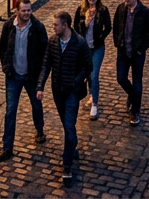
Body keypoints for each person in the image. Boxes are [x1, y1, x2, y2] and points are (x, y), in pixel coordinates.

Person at [37, 11, 89, 182]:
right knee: (67, 124)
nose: (53, 27)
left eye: (56, 25)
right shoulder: (53, 41)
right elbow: (46, 64)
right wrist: (40, 86)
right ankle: (72, 145)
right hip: (58, 90)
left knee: (68, 125)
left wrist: (76, 80)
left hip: (73, 91)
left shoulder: (79, 43)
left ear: (65, 25)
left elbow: (88, 66)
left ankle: (67, 166)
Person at [0, 0, 47, 162]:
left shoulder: (38, 28)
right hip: (14, 75)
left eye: (29, 10)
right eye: (23, 11)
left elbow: (45, 53)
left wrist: (40, 79)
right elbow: (2, 46)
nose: (27, 13)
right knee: (10, 111)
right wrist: (6, 66)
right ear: (16, 11)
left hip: (31, 76)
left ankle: (40, 130)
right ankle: (7, 147)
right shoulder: (9, 26)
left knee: (36, 105)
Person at [112, 0, 149, 126]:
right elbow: (116, 27)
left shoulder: (145, 12)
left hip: (137, 53)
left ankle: (135, 111)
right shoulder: (121, 9)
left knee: (137, 81)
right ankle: (133, 95)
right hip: (123, 51)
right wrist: (118, 43)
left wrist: (141, 48)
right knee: (121, 78)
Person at [73, 0, 111, 120]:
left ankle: (94, 103)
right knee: (87, 73)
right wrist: (85, 24)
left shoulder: (103, 10)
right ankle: (91, 93)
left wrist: (101, 37)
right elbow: (75, 27)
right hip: (84, 48)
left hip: (97, 47)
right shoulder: (81, 10)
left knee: (94, 74)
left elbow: (108, 27)